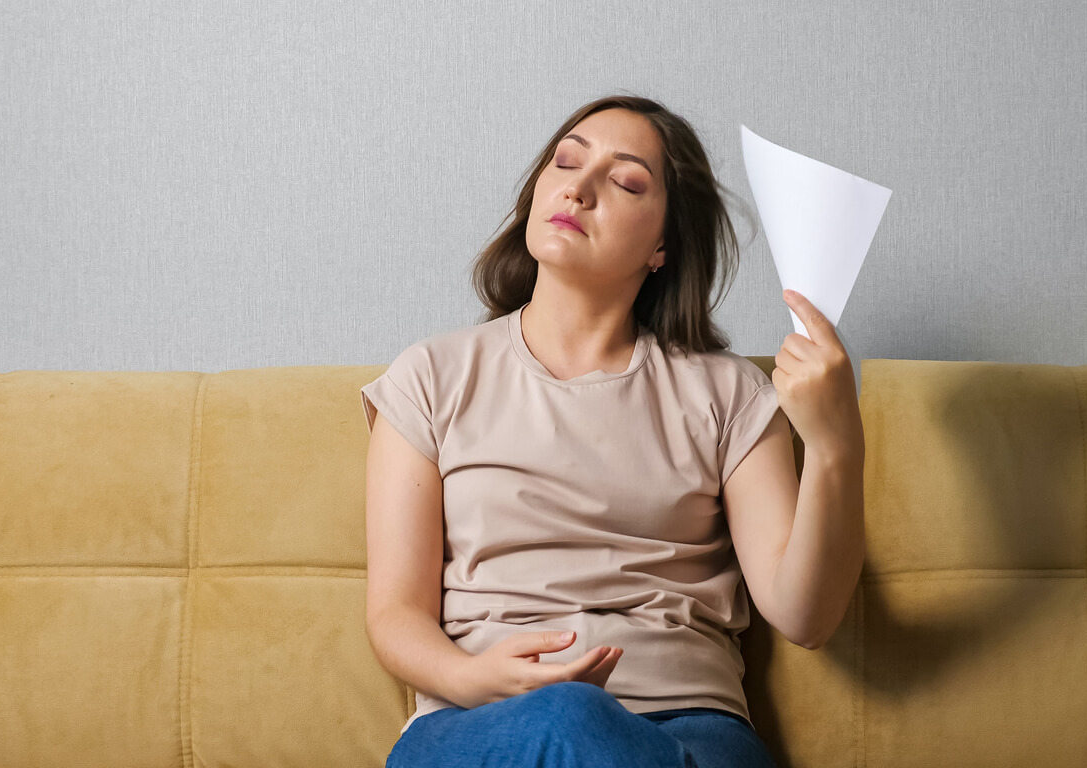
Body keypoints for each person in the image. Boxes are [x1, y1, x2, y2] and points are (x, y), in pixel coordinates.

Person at [361, 94, 865, 768]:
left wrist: (834, 444)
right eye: (566, 162)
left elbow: (805, 617)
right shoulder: (430, 375)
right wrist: (475, 678)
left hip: (689, 729)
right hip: (483, 722)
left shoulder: (728, 393)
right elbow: (395, 613)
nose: (578, 186)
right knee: (567, 719)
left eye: (624, 180)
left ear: (662, 245)